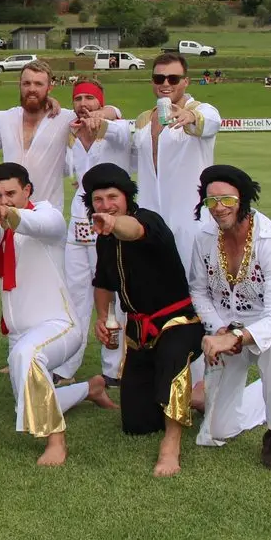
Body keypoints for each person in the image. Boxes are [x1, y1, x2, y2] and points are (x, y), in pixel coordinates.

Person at [0, 163, 110, 467]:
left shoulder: (47, 216)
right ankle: (89, 388)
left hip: (60, 326)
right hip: (19, 333)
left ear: (27, 190)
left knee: (28, 355)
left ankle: (56, 441)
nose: (4, 201)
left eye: (11, 193)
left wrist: (7, 213)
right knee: (26, 406)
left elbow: (36, 224)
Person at [85, 162, 204, 477]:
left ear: (127, 197)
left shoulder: (147, 220)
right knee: (136, 425)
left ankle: (171, 445)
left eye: (113, 197)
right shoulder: (103, 238)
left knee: (172, 362)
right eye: (98, 200)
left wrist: (112, 222)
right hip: (138, 331)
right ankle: (196, 399)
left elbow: (133, 231)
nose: (106, 205)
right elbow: (102, 283)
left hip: (178, 322)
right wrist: (103, 316)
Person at [189, 165, 271, 469]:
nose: (218, 208)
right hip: (225, 330)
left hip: (267, 328)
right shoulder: (204, 238)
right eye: (210, 201)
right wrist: (219, 330)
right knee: (216, 432)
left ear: (242, 199)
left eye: (226, 199)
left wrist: (238, 336)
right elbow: (198, 290)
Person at [59, 79, 132, 383]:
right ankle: (66, 365)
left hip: (112, 226)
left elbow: (124, 122)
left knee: (116, 296)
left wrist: (110, 112)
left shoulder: (116, 133)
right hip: (78, 228)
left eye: (91, 98)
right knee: (75, 297)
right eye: (78, 98)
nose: (83, 103)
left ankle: (114, 368)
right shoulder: (71, 134)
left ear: (102, 102)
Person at [130, 51, 221, 269]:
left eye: (173, 78)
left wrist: (191, 117)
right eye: (159, 78)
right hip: (149, 216)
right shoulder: (144, 119)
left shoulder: (199, 110)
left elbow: (212, 120)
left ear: (186, 81)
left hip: (190, 217)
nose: (165, 84)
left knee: (194, 285)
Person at [0, 60, 115, 209]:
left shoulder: (65, 118)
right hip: (11, 214)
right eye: (26, 83)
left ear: (50, 87)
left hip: (48, 214)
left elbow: (114, 112)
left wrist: (102, 113)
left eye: (38, 84)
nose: (32, 89)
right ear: (19, 85)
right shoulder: (4, 118)